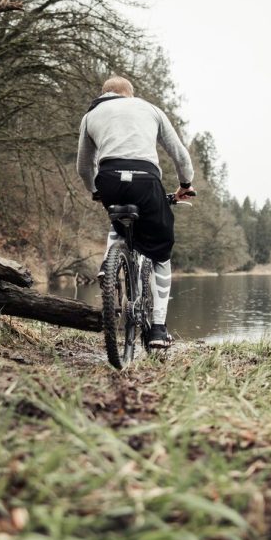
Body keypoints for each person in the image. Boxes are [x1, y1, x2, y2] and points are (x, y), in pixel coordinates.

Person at [76, 75, 196, 348]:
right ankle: (157, 328)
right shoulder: (149, 108)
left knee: (118, 220)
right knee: (162, 253)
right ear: (129, 95)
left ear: (104, 94)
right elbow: (180, 155)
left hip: (109, 179)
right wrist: (185, 184)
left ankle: (110, 262)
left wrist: (95, 189)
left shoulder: (90, 115)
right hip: (146, 180)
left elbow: (83, 166)